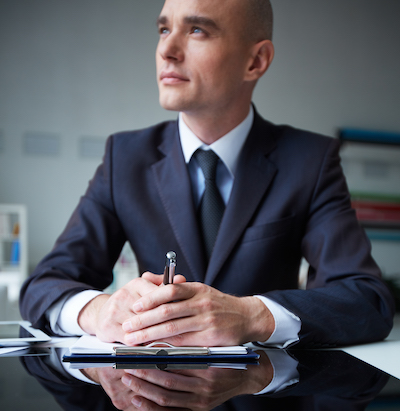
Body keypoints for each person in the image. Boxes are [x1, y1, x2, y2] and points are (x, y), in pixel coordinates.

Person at [20, 0, 394, 354]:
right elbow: (43, 286)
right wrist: (100, 311)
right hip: (152, 402)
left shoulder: (310, 161)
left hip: (266, 405)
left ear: (256, 60)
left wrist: (252, 315)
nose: (167, 50)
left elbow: (368, 299)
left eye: (197, 30)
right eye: (164, 29)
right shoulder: (125, 158)